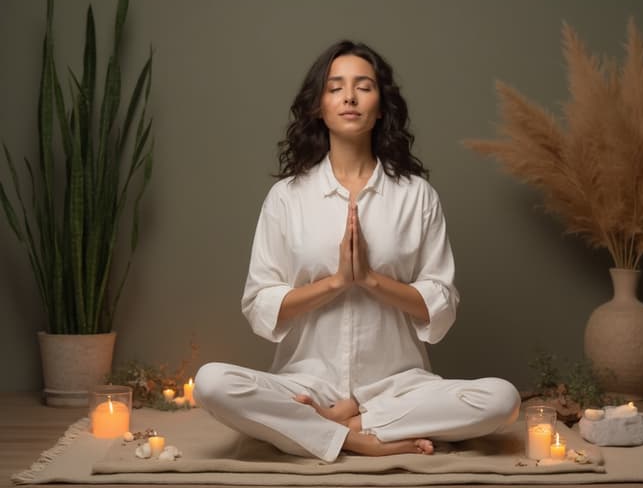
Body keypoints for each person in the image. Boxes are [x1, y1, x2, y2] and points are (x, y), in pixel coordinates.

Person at [195, 40, 520, 463]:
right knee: (211, 383)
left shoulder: (416, 196)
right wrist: (336, 283)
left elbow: (441, 304)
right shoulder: (286, 198)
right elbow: (260, 304)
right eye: (335, 87)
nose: (349, 97)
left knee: (502, 400)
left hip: (399, 387)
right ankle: (354, 437)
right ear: (318, 106)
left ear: (381, 105)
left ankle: (342, 424)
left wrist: (369, 281)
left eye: (363, 86)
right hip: (305, 384)